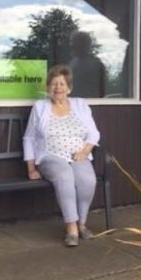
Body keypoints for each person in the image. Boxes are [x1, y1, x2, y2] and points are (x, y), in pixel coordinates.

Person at [23, 64, 100, 247]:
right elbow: (29, 138)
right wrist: (31, 168)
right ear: (48, 87)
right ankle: (71, 228)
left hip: (78, 154)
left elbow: (94, 134)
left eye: (62, 84)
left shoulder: (80, 105)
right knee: (65, 176)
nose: (58, 87)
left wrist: (84, 151)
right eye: (54, 84)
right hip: (50, 156)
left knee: (88, 181)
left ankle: (82, 223)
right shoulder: (40, 107)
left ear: (69, 88)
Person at [68, 31, 107, 98]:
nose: (71, 45)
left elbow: (101, 91)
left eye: (74, 43)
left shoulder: (96, 65)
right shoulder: (72, 62)